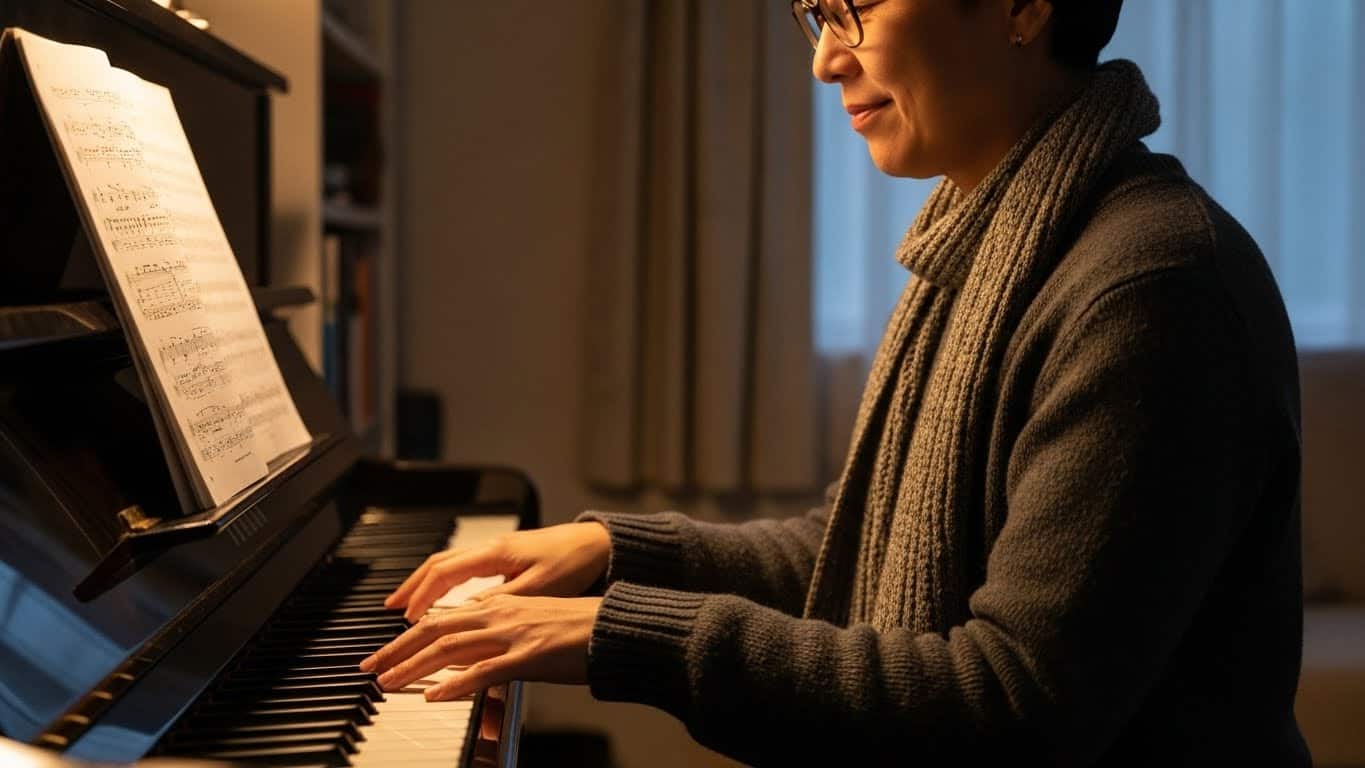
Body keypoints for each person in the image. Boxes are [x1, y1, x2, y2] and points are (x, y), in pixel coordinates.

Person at [360, 0, 1311, 763]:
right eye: (817, 13)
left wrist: (630, 634)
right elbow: (852, 548)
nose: (824, 60)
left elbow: (1015, 704)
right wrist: (615, 553)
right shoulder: (991, 238)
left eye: (856, 6)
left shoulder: (1151, 283)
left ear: (1024, 8)